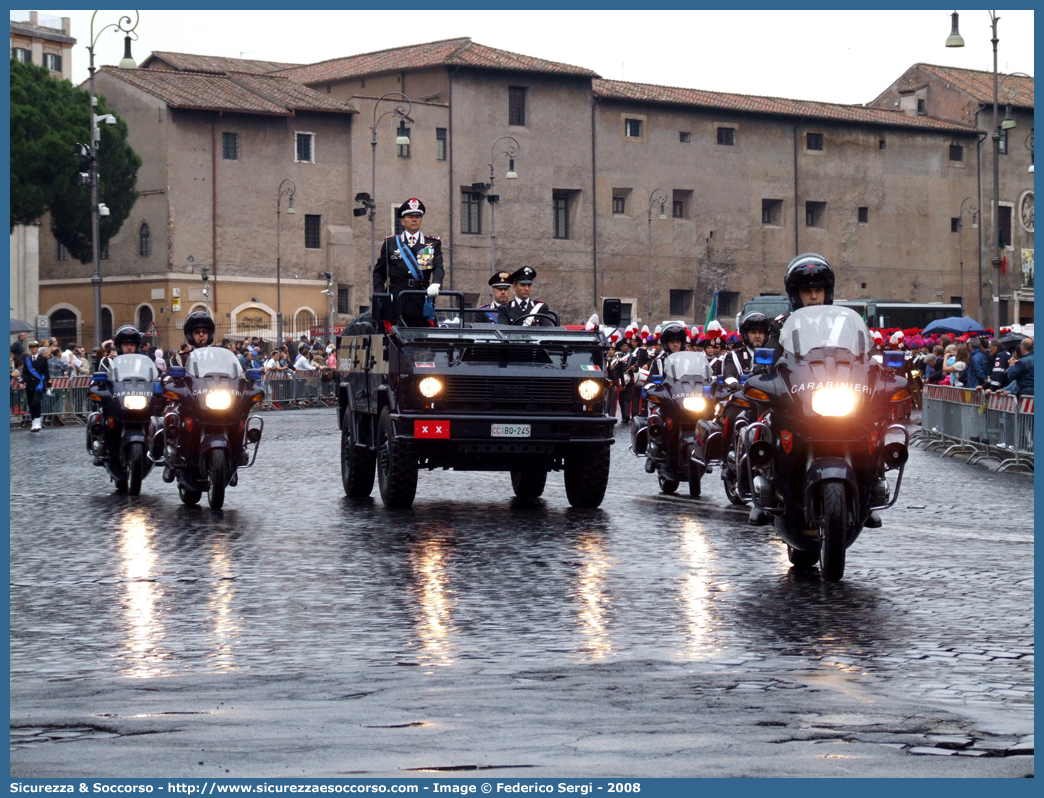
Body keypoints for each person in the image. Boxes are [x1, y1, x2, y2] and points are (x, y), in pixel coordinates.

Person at [372, 197, 444, 327]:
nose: (414, 220)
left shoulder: (431, 244)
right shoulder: (391, 243)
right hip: (397, 298)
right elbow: (379, 272)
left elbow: (438, 267)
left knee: (422, 336)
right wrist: (381, 295)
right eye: (410, 216)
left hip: (420, 297)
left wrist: (436, 283)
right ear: (402, 221)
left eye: (417, 216)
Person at [723, 311, 769, 387]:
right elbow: (729, 374)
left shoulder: (772, 356)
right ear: (745, 335)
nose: (757, 336)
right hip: (743, 396)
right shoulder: (734, 356)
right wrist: (734, 384)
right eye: (753, 332)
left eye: (760, 332)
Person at [21, 340, 51, 433]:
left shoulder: (43, 359)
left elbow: (46, 372)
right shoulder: (27, 360)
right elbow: (25, 372)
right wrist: (22, 381)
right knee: (30, 403)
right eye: (31, 348)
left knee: (36, 403)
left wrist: (49, 385)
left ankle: (38, 421)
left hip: (39, 385)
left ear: (37, 348)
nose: (33, 349)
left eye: (34, 347)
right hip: (30, 385)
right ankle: (34, 421)